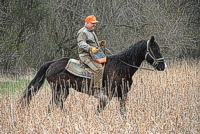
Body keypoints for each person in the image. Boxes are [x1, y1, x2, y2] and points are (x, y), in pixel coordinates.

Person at [77, 15, 106, 89]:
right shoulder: (83, 32)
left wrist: (99, 44)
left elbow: (92, 43)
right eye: (92, 23)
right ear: (86, 23)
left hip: (94, 55)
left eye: (95, 23)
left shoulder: (91, 31)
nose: (94, 24)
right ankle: (96, 89)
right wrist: (90, 48)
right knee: (99, 69)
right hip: (85, 55)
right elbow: (81, 43)